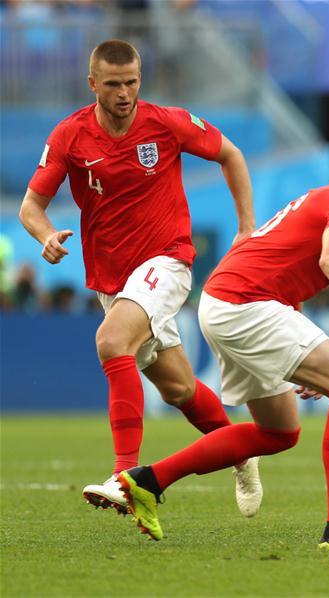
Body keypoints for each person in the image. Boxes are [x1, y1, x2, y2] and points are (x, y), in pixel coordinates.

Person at [117, 137, 329, 551]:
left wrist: (301, 358)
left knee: (279, 431)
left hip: (228, 301)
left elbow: (288, 265)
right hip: (244, 304)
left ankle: (147, 480)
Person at [18, 39, 261, 518]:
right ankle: (241, 449)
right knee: (178, 389)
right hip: (115, 281)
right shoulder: (70, 135)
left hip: (167, 261)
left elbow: (230, 155)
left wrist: (247, 228)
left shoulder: (166, 123)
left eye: (131, 82)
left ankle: (125, 475)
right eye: (113, 84)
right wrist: (45, 235)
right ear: (93, 85)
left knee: (111, 343)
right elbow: (31, 205)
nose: (124, 93)